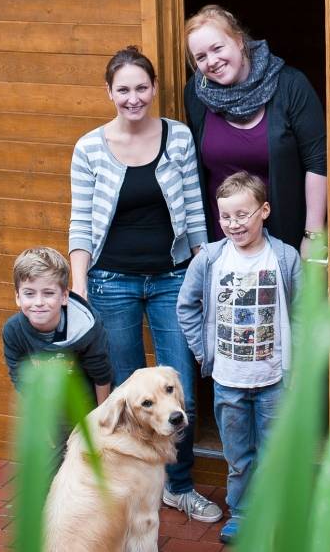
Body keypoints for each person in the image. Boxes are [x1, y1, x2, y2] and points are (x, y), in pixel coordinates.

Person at [68, 45, 222, 523]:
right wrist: (79, 289)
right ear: (109, 92)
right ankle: (132, 491)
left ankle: (178, 486)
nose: (133, 98)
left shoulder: (176, 137)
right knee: (125, 395)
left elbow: (196, 212)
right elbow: (79, 225)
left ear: (154, 89)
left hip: (171, 278)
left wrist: (203, 274)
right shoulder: (89, 147)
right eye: (123, 90)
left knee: (180, 390)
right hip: (110, 281)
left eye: (141, 88)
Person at [178, 171, 301, 545]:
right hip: (228, 380)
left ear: (264, 211)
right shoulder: (211, 259)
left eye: (242, 215)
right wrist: (203, 352)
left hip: (273, 380)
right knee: (238, 455)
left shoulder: (284, 257)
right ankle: (242, 512)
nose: (234, 224)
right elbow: (187, 307)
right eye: (226, 217)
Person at [184, 5, 327, 257]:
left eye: (217, 48)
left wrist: (312, 235)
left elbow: (318, 162)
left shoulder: (290, 86)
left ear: (239, 41)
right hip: (223, 245)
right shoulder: (196, 94)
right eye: (201, 57)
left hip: (284, 240)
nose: (212, 61)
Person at [1, 246, 113, 471]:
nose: (39, 302)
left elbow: (101, 375)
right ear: (17, 296)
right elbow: (20, 377)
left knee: (87, 472)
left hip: (85, 407)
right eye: (29, 293)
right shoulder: (13, 331)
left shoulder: (85, 329)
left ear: (64, 296)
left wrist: (100, 423)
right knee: (47, 475)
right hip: (48, 409)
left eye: (48, 293)